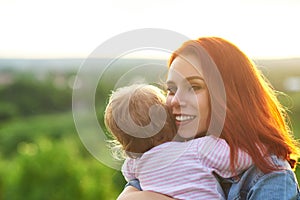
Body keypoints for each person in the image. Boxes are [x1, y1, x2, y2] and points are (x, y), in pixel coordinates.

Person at [117, 37, 300, 200]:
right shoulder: (168, 154)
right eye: (171, 90)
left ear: (230, 94)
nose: (175, 101)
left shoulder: (271, 176)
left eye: (194, 87)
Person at [104, 84, 253, 199]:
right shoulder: (198, 148)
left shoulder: (134, 164)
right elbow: (241, 160)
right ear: (161, 134)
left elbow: (128, 175)